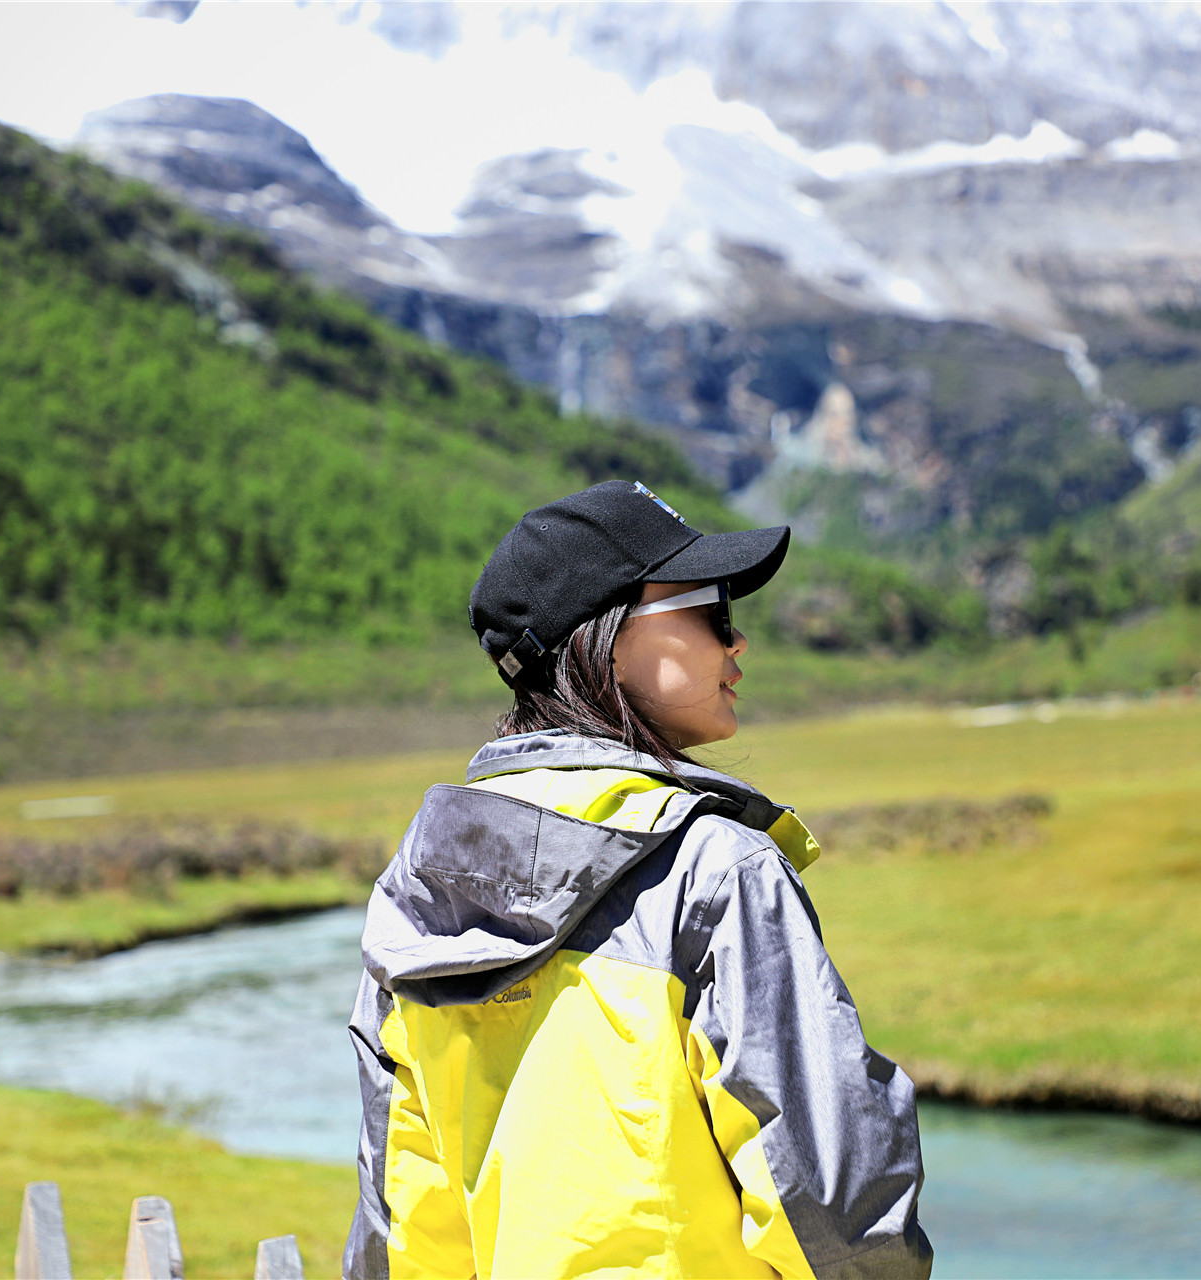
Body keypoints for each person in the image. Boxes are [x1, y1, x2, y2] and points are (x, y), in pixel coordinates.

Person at [344, 480, 931, 1279]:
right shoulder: (716, 870)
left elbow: (403, 1222)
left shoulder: (412, 896)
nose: (738, 642)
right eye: (711, 609)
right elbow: (837, 1208)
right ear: (610, 636)